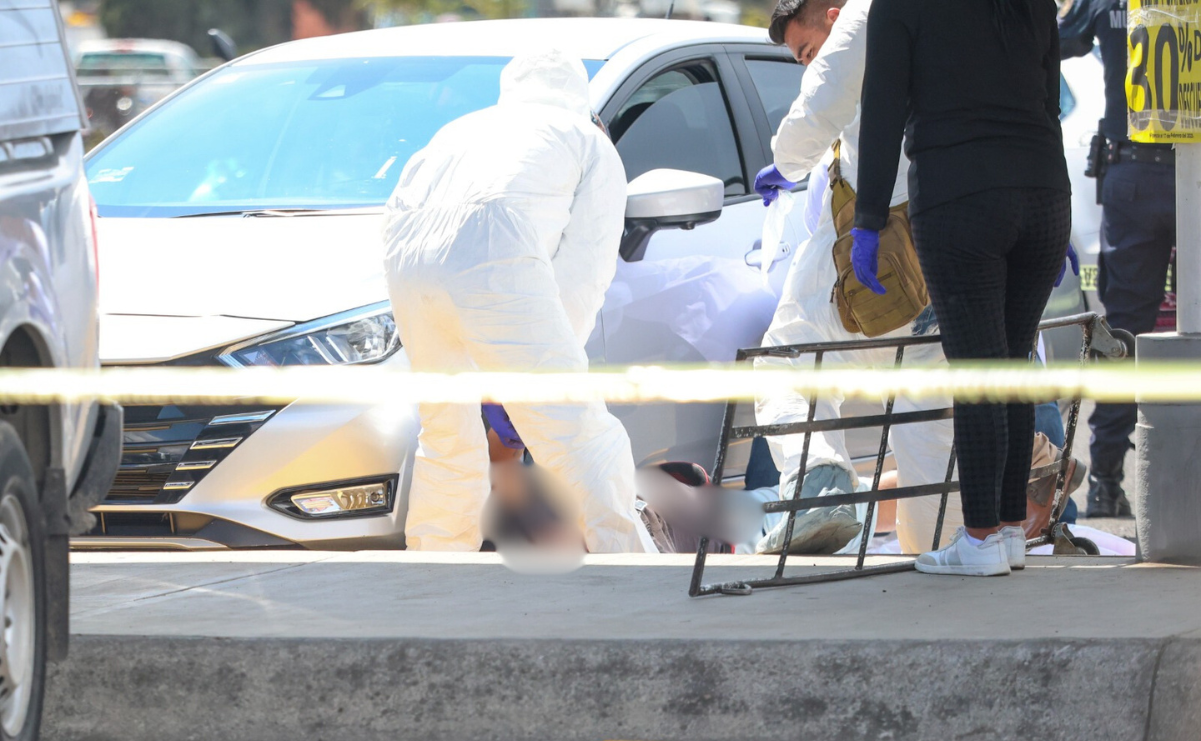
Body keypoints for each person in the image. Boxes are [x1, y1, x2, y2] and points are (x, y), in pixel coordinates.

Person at [382, 49, 656, 553]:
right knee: (576, 429)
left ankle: (433, 565)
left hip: (406, 255)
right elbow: (585, 271)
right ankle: (628, 564)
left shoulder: (457, 130)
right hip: (491, 246)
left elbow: (400, 206)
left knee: (446, 434)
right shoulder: (585, 139)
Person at [854, 0, 1073, 575]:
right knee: (1013, 366)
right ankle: (1007, 531)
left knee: (977, 371)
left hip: (961, 199)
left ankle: (979, 538)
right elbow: (1049, 104)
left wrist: (869, 220)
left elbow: (882, 108)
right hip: (1045, 197)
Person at [752, 0, 957, 556]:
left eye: (807, 51)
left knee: (784, 362)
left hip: (882, 243)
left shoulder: (865, 17)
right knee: (929, 410)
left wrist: (786, 162)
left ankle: (819, 485)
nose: (807, 64)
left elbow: (820, 106)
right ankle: (938, 546)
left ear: (832, 14)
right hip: (947, 243)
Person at [1060, 0, 1174, 519]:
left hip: (1132, 176)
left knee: (1124, 333)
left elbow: (1059, 41)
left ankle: (1106, 481)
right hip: (1189, 171)